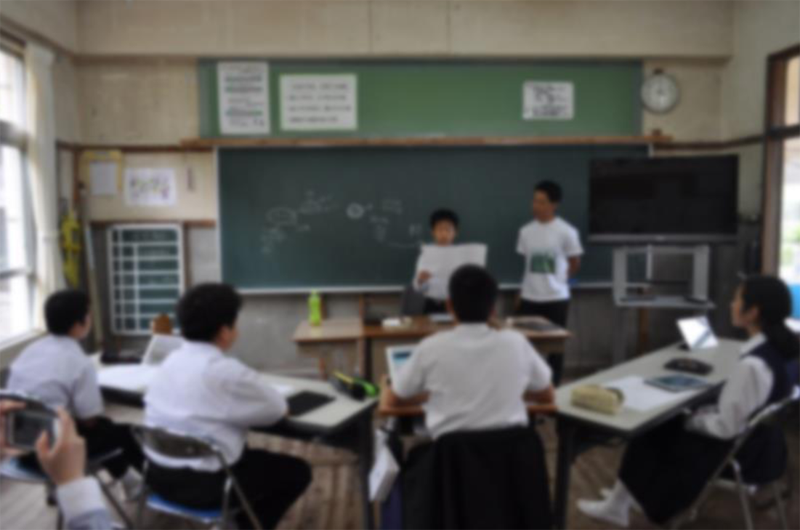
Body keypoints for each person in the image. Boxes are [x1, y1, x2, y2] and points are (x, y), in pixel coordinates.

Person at [578, 275, 798, 527]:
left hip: (737, 456)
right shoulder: (784, 351)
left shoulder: (751, 365)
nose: (731, 304)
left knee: (652, 428)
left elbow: (725, 427)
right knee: (677, 416)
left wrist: (693, 420)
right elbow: (742, 410)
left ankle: (617, 506)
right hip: (765, 450)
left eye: (737, 299)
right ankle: (628, 496)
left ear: (753, 312)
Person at [144, 283, 312, 530]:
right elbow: (278, 408)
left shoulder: (169, 361)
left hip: (158, 477)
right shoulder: (226, 372)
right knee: (297, 472)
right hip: (208, 488)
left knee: (241, 449)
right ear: (225, 332)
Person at [390, 264, 555, 438]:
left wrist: (431, 395)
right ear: (493, 309)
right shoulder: (517, 343)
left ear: (449, 306)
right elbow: (547, 396)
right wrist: (510, 392)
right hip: (512, 453)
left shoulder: (430, 347)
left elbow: (393, 400)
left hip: (452, 454)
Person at [6, 290, 143, 493]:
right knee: (124, 432)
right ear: (79, 324)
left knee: (102, 428)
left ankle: (128, 481)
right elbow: (89, 419)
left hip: (19, 446)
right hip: (56, 452)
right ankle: (148, 486)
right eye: (89, 314)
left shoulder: (29, 351)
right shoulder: (79, 361)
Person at [0, 400, 113, 530]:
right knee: (112, 430)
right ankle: (128, 480)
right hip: (54, 457)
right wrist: (72, 482)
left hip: (22, 461)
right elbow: (89, 419)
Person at [516, 180, 583, 384]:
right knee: (525, 346)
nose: (536, 206)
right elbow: (526, 263)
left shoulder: (567, 231)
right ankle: (528, 386)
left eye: (542, 202)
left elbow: (574, 262)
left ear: (554, 204)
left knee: (556, 349)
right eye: (534, 201)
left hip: (556, 298)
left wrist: (559, 282)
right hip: (529, 297)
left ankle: (554, 388)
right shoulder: (526, 231)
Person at [413, 208, 460, 314]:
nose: (444, 234)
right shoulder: (426, 255)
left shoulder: (461, 255)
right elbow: (419, 288)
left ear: (455, 232)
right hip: (432, 304)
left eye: (448, 229)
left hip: (456, 304)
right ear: (433, 232)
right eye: (439, 229)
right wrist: (421, 281)